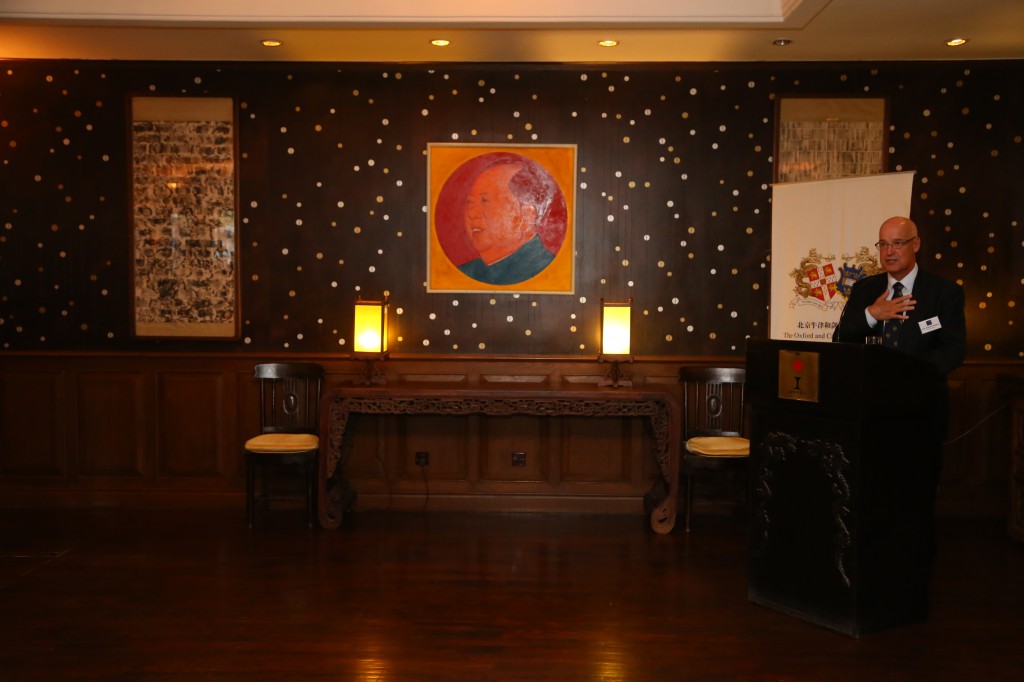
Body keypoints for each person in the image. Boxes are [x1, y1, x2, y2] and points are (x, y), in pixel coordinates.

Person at [832, 215, 966, 611]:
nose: (889, 252)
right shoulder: (866, 289)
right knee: (872, 494)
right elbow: (841, 338)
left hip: (919, 416)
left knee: (915, 497)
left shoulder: (943, 292)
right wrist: (873, 314)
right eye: (883, 244)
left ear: (916, 244)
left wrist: (908, 376)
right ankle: (872, 569)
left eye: (898, 243)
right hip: (870, 416)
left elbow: (954, 350)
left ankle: (913, 578)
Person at [457, 159, 557, 285]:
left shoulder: (550, 273)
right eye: (470, 202)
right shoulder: (464, 274)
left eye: (485, 201)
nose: (472, 214)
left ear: (526, 216)